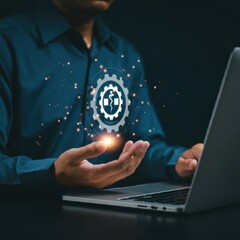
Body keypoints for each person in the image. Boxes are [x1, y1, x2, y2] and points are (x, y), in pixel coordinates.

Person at [0, 0, 203, 188]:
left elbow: (141, 147)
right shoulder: (6, 43)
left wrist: (179, 161)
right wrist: (52, 172)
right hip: (26, 217)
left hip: (115, 218)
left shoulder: (123, 55)